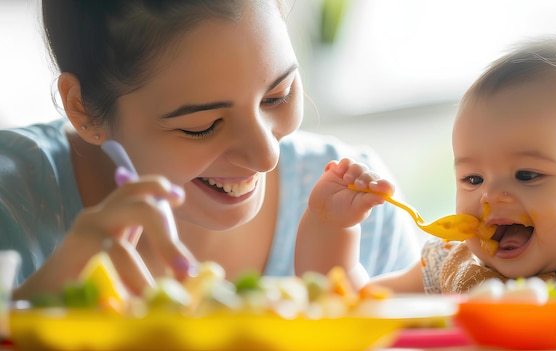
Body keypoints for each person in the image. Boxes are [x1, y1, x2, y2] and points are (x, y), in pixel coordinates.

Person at [0, 0, 422, 301]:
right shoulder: (13, 206)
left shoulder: (359, 212)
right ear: (83, 108)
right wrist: (23, 314)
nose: (265, 157)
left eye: (277, 95)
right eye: (202, 126)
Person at [295, 34, 556, 335]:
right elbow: (353, 311)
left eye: (526, 175)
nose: (490, 196)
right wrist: (330, 228)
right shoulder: (451, 268)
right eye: (473, 179)